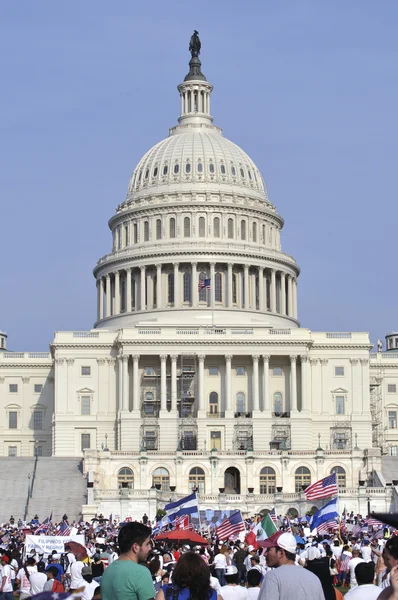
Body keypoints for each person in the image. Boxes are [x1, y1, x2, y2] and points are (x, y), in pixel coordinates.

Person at [257, 531, 325, 600]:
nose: (265, 554)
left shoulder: (272, 577)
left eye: (268, 550)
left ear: (281, 553)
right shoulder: (314, 578)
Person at [101, 522, 154, 600]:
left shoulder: (108, 571)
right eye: (147, 544)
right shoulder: (141, 572)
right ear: (135, 547)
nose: (150, 548)